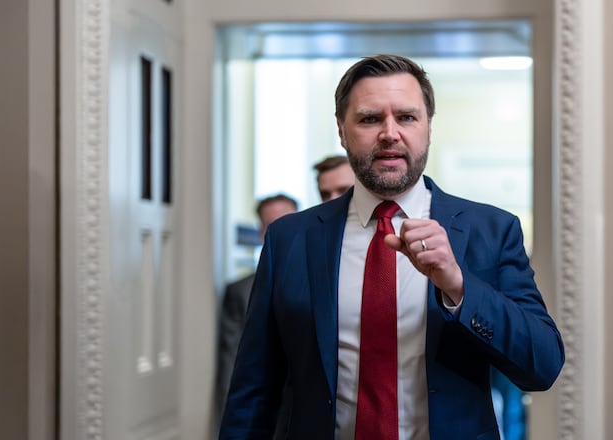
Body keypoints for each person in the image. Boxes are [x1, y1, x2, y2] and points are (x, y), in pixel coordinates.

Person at [220, 54, 564, 440]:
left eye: (406, 117)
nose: (389, 133)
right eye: (369, 119)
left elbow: (542, 366)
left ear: (428, 127)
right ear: (341, 130)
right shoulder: (290, 239)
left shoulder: (492, 230)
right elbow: (253, 391)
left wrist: (459, 286)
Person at [215, 193, 298, 423]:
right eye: (273, 225)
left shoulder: (330, 279)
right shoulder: (239, 292)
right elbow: (231, 363)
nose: (284, 232)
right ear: (262, 232)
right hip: (266, 413)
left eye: (290, 222)